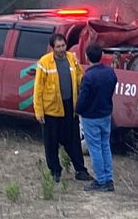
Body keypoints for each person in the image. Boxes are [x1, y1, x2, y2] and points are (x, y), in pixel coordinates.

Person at [32, 30, 90, 183]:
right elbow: (38, 88)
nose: (61, 49)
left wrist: (84, 88)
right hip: (51, 109)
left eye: (63, 45)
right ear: (53, 48)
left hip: (69, 108)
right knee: (51, 143)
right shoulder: (44, 62)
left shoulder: (72, 58)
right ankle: (55, 171)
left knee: (73, 141)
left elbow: (79, 76)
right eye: (58, 46)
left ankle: (80, 170)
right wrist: (39, 111)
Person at [77, 42, 118, 192]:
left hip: (90, 117)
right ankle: (108, 178)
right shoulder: (110, 73)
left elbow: (83, 98)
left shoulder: (88, 77)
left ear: (87, 57)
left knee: (95, 149)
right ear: (101, 56)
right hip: (105, 114)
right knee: (105, 146)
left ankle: (101, 181)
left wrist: (78, 109)